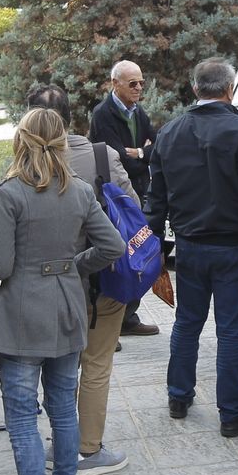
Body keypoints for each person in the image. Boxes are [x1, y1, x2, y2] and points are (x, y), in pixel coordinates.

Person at [0, 108, 124, 475]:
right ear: (62, 142)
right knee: (63, 409)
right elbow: (114, 247)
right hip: (67, 308)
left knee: (23, 418)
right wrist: (71, 268)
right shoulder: (80, 191)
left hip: (23, 313)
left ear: (21, 141)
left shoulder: (9, 193)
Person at [147, 58, 238, 436]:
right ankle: (232, 412)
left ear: (196, 89)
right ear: (229, 89)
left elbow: (157, 199)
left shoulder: (169, 132)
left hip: (190, 245)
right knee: (231, 331)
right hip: (233, 246)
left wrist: (155, 250)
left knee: (187, 322)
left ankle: (179, 395)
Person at [26, 82, 135, 475]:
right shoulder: (102, 156)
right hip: (102, 278)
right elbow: (132, 209)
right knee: (96, 362)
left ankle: (60, 443)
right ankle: (87, 448)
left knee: (58, 366)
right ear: (73, 117)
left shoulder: (21, 167)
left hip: (45, 284)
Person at [89, 60, 160, 338]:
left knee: (140, 253)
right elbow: (115, 158)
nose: (139, 87)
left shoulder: (138, 111)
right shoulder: (103, 114)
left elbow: (158, 147)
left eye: (141, 82)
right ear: (114, 83)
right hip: (115, 196)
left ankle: (128, 317)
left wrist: (140, 153)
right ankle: (111, 323)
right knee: (119, 257)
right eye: (133, 83)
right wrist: (142, 155)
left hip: (139, 190)